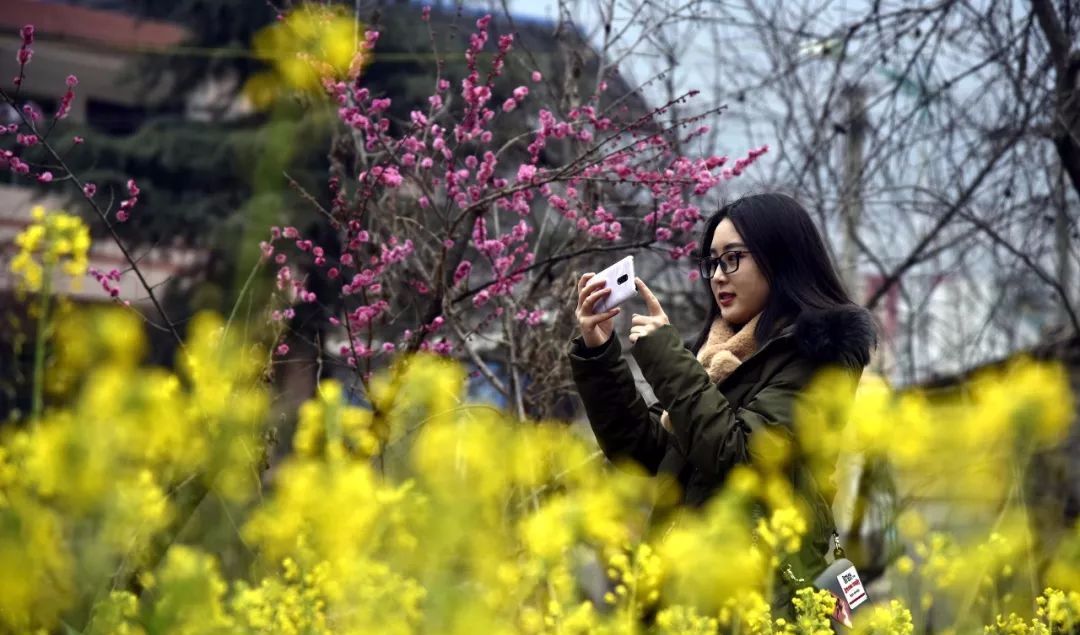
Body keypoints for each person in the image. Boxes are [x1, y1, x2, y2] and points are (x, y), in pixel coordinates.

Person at [567, 193, 877, 603]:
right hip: (688, 588)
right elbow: (643, 450)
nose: (717, 276)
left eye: (732, 258)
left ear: (780, 259)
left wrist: (665, 354)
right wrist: (599, 350)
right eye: (712, 262)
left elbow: (742, 457)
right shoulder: (716, 355)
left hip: (763, 595)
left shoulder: (818, 355)